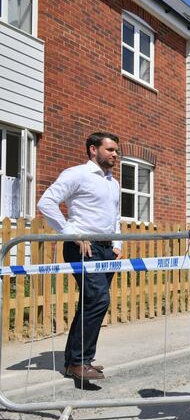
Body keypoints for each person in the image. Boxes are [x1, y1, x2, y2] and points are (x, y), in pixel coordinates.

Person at [38, 132, 123, 383]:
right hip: (83, 247)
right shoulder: (76, 174)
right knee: (98, 299)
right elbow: (47, 202)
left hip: (106, 249)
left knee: (91, 302)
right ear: (93, 150)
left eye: (116, 150)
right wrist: (71, 234)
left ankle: (76, 361)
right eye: (109, 149)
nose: (115, 154)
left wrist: (117, 244)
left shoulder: (113, 182)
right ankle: (78, 362)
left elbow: (115, 216)